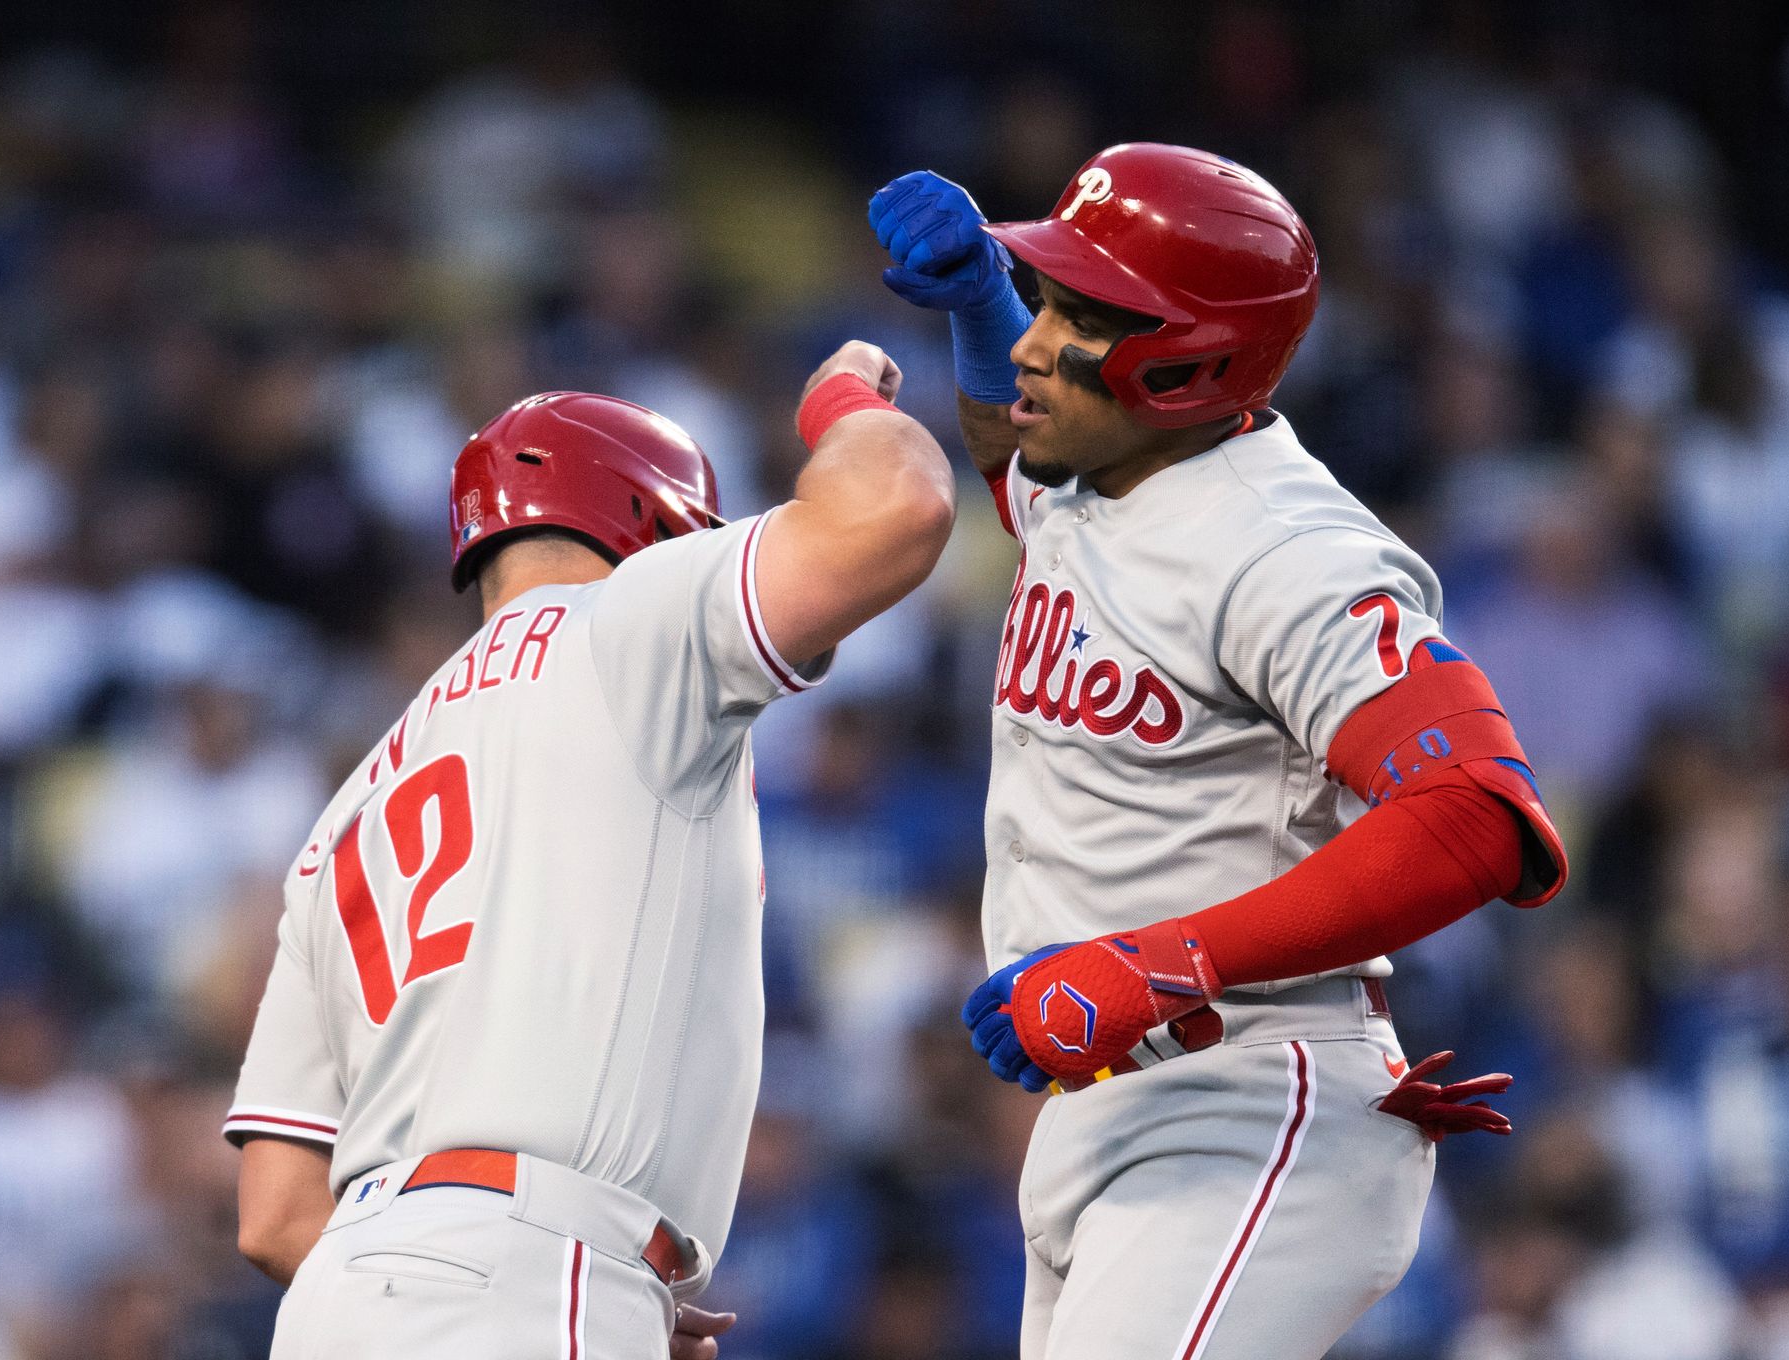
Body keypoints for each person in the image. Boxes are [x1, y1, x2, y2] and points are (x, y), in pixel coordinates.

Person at [867, 143, 1568, 1360]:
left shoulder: (1284, 546)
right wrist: (985, 303)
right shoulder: (1114, 468)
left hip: (1248, 1095)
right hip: (1120, 1106)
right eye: (1045, 299)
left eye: (1077, 315)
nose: (1035, 343)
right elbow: (1015, 470)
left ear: (1187, 362)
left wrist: (1163, 961)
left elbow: (1476, 813)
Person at [224, 341, 955, 1359]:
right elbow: (897, 507)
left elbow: (274, 1215)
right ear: (660, 526)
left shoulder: (348, 805)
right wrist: (842, 403)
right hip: (535, 1263)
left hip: (339, 1302)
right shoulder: (627, 622)